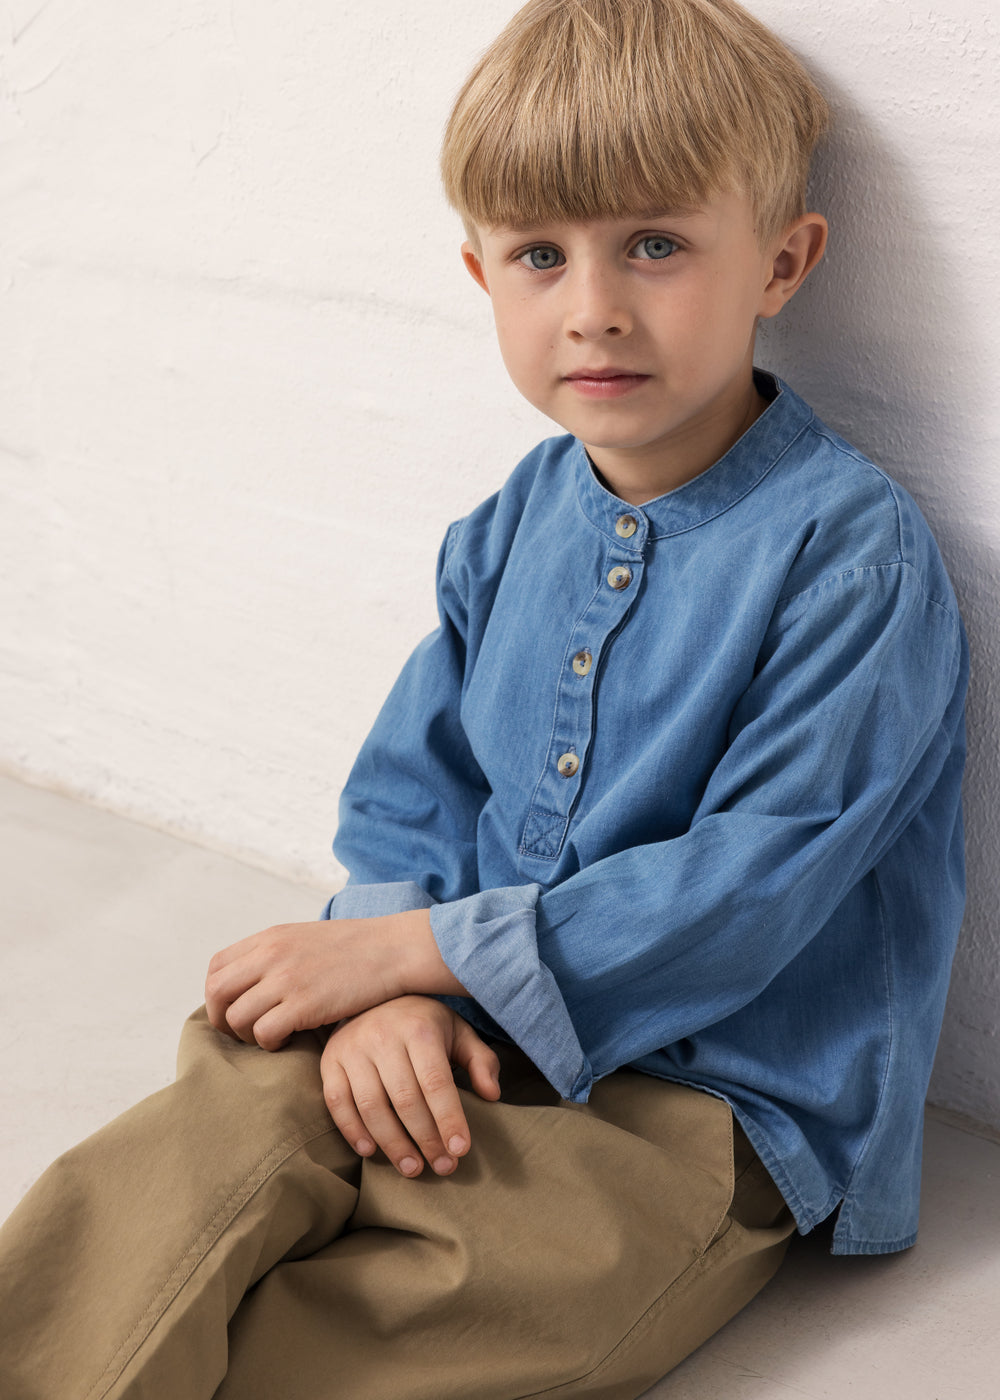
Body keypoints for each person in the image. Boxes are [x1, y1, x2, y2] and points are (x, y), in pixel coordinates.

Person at [0, 1, 968, 1397]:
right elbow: (421, 773)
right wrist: (384, 974)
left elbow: (751, 890)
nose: (595, 307)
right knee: (241, 1091)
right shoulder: (519, 516)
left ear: (782, 261)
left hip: (704, 1096)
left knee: (494, 1283)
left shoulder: (850, 556)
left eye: (656, 244)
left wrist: (428, 958)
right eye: (540, 255)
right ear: (481, 275)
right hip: (458, 992)